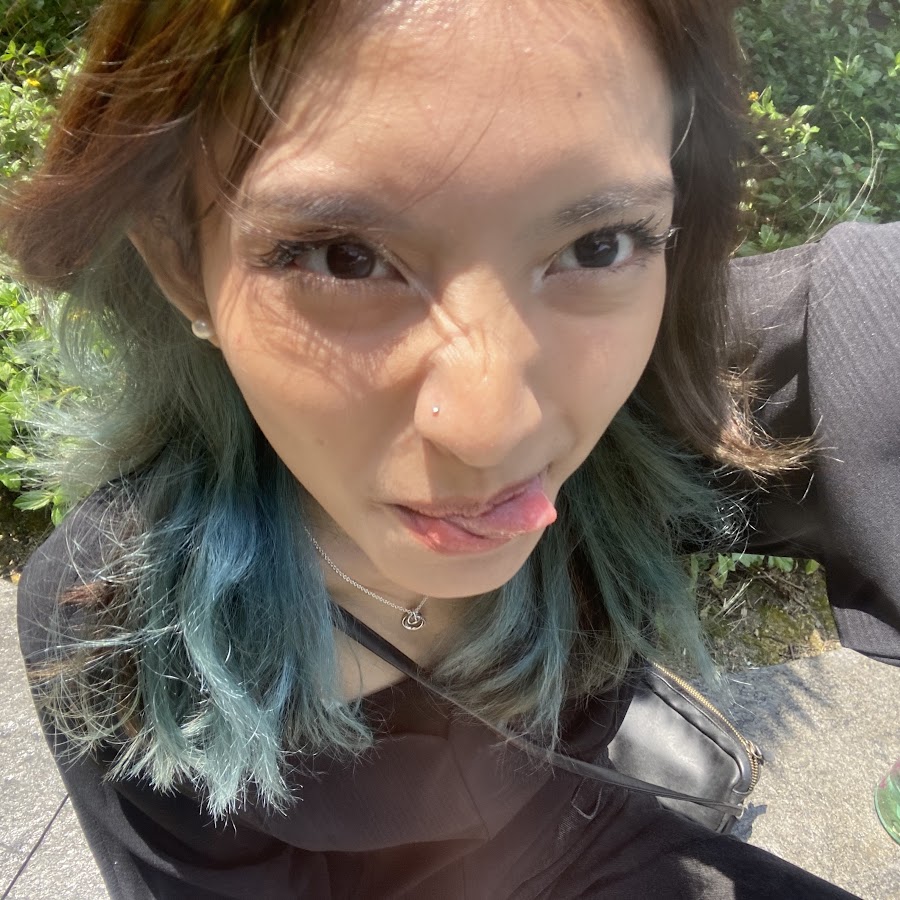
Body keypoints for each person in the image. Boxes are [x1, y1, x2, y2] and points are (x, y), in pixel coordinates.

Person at [2, 0, 896, 896]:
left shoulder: (654, 411)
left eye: (598, 244)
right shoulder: (117, 617)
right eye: (344, 258)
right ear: (180, 262)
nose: (495, 429)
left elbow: (865, 333)